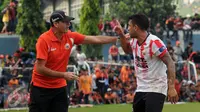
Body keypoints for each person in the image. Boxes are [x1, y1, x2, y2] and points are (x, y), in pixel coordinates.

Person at [29, 10, 117, 112]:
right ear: (56, 23)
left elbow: (95, 39)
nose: (69, 24)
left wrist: (117, 38)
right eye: (65, 22)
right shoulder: (43, 40)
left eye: (69, 22)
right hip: (41, 88)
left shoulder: (70, 36)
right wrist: (63, 75)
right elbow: (40, 68)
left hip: (59, 87)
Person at [115, 14, 178, 112]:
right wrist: (121, 35)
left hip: (156, 88)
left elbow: (170, 63)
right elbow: (127, 50)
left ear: (135, 28)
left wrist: (171, 87)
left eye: (129, 26)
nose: (127, 29)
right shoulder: (134, 41)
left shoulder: (154, 42)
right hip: (141, 88)